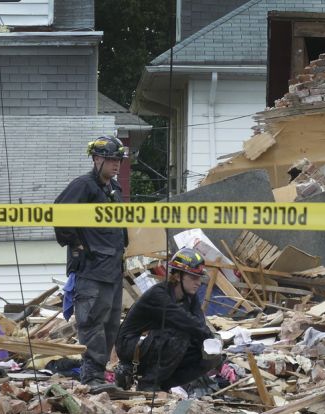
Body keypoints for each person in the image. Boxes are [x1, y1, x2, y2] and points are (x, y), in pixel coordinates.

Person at [55, 135, 129, 392]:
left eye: (118, 159)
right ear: (97, 159)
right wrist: (77, 245)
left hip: (112, 269)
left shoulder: (113, 190)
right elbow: (60, 214)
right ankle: (92, 379)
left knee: (111, 325)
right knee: (92, 322)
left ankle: (99, 376)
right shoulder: (83, 186)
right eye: (110, 159)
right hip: (92, 271)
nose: (116, 164)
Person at [114, 248, 223, 392]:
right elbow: (185, 322)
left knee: (210, 357)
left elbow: (199, 325)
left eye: (199, 278)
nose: (198, 283)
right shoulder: (158, 294)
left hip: (154, 344)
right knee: (181, 334)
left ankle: (164, 385)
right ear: (177, 276)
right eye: (193, 278)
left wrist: (213, 347)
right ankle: (148, 383)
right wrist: (208, 336)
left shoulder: (190, 297)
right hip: (131, 345)